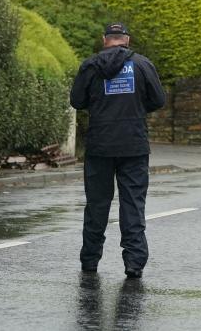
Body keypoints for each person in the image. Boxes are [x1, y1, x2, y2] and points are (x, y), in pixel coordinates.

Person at [70, 22, 166, 279]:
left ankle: (90, 260)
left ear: (105, 40)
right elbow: (158, 100)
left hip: (100, 146)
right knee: (132, 203)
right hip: (133, 145)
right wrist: (135, 108)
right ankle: (134, 263)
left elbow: (76, 101)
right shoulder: (143, 65)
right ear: (127, 39)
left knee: (97, 204)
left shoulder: (90, 66)